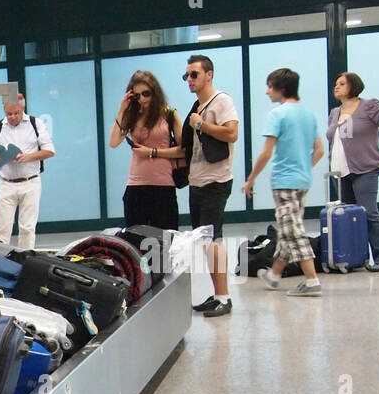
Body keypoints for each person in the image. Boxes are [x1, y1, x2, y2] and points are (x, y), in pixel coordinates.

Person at [243, 68, 325, 296]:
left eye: (270, 86)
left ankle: (312, 281)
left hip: (284, 182)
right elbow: (319, 150)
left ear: (281, 88)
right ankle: (274, 274)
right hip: (302, 181)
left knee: (294, 231)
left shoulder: (277, 115)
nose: (267, 91)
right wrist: (304, 167)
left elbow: (266, 153)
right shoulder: (308, 115)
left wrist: (250, 179)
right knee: (289, 228)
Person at [182, 54, 240, 317]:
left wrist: (202, 124)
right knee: (206, 241)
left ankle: (224, 297)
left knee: (213, 239)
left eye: (194, 74)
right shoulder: (198, 105)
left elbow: (232, 133)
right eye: (187, 75)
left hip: (215, 181)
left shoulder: (221, 101)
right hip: (197, 180)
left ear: (209, 74)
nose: (189, 79)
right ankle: (217, 294)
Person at [326, 71, 379, 271]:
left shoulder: (370, 106)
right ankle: (354, 257)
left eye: (342, 83)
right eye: (336, 83)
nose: (336, 86)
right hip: (339, 173)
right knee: (349, 217)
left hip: (365, 169)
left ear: (353, 86)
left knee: (369, 213)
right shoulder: (334, 112)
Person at [107, 70, 182, 231]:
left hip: (163, 186)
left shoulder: (169, 114)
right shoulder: (132, 115)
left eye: (146, 93)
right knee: (136, 240)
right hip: (136, 186)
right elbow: (113, 142)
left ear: (155, 92)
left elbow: (183, 150)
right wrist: (122, 110)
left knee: (165, 240)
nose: (142, 99)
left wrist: (152, 152)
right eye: (137, 96)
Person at [0, 95, 55, 250]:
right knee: (2, 229)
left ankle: (25, 258)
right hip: (6, 183)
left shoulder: (35, 123)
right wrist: (3, 156)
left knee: (27, 228)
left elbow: (50, 151)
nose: (12, 117)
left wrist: (28, 157)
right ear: (4, 110)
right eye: (9, 114)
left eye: (16, 113)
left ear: (23, 108)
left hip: (30, 182)